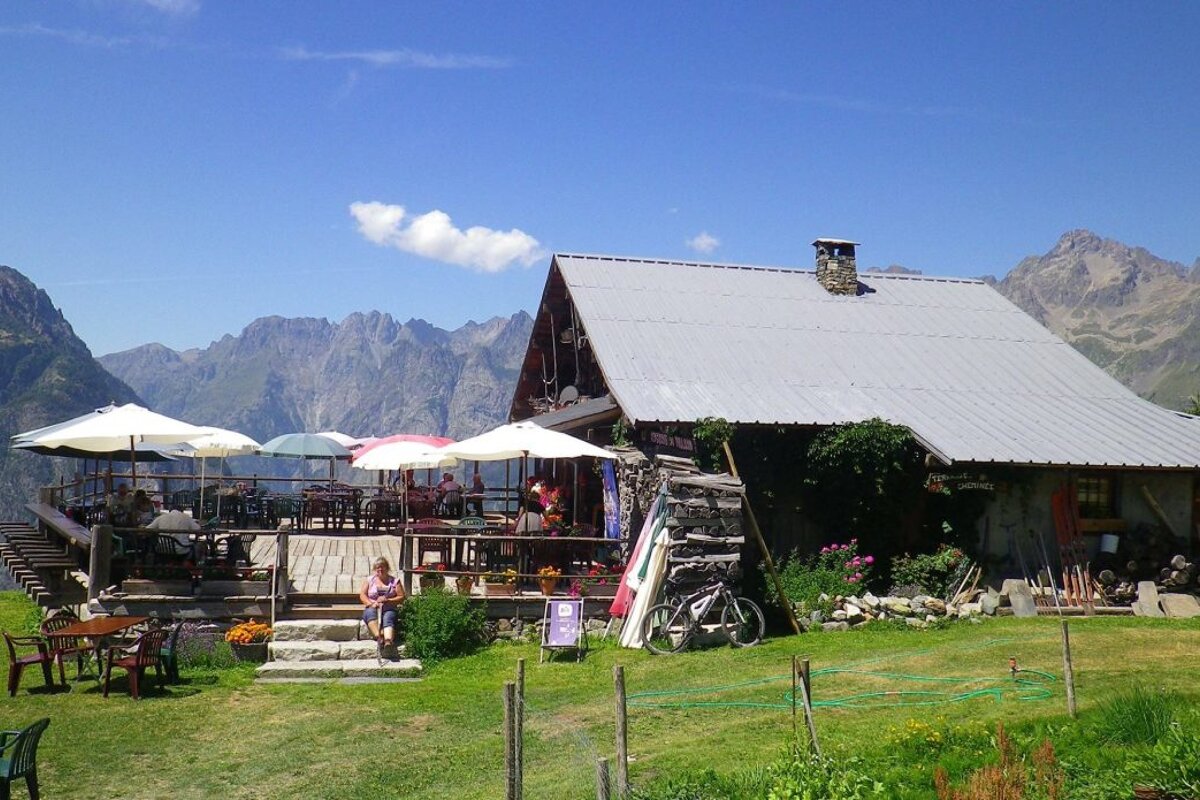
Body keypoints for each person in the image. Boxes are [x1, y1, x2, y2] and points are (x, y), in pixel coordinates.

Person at [360, 557, 405, 651]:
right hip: (373, 605)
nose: (380, 569)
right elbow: (363, 595)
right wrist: (370, 603)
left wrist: (388, 600)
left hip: (389, 607)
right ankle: (379, 637)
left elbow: (401, 596)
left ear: (387, 568)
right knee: (370, 613)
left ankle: (388, 641)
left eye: (382, 567)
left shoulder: (395, 581)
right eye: (377, 567)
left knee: (388, 617)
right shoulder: (369, 580)